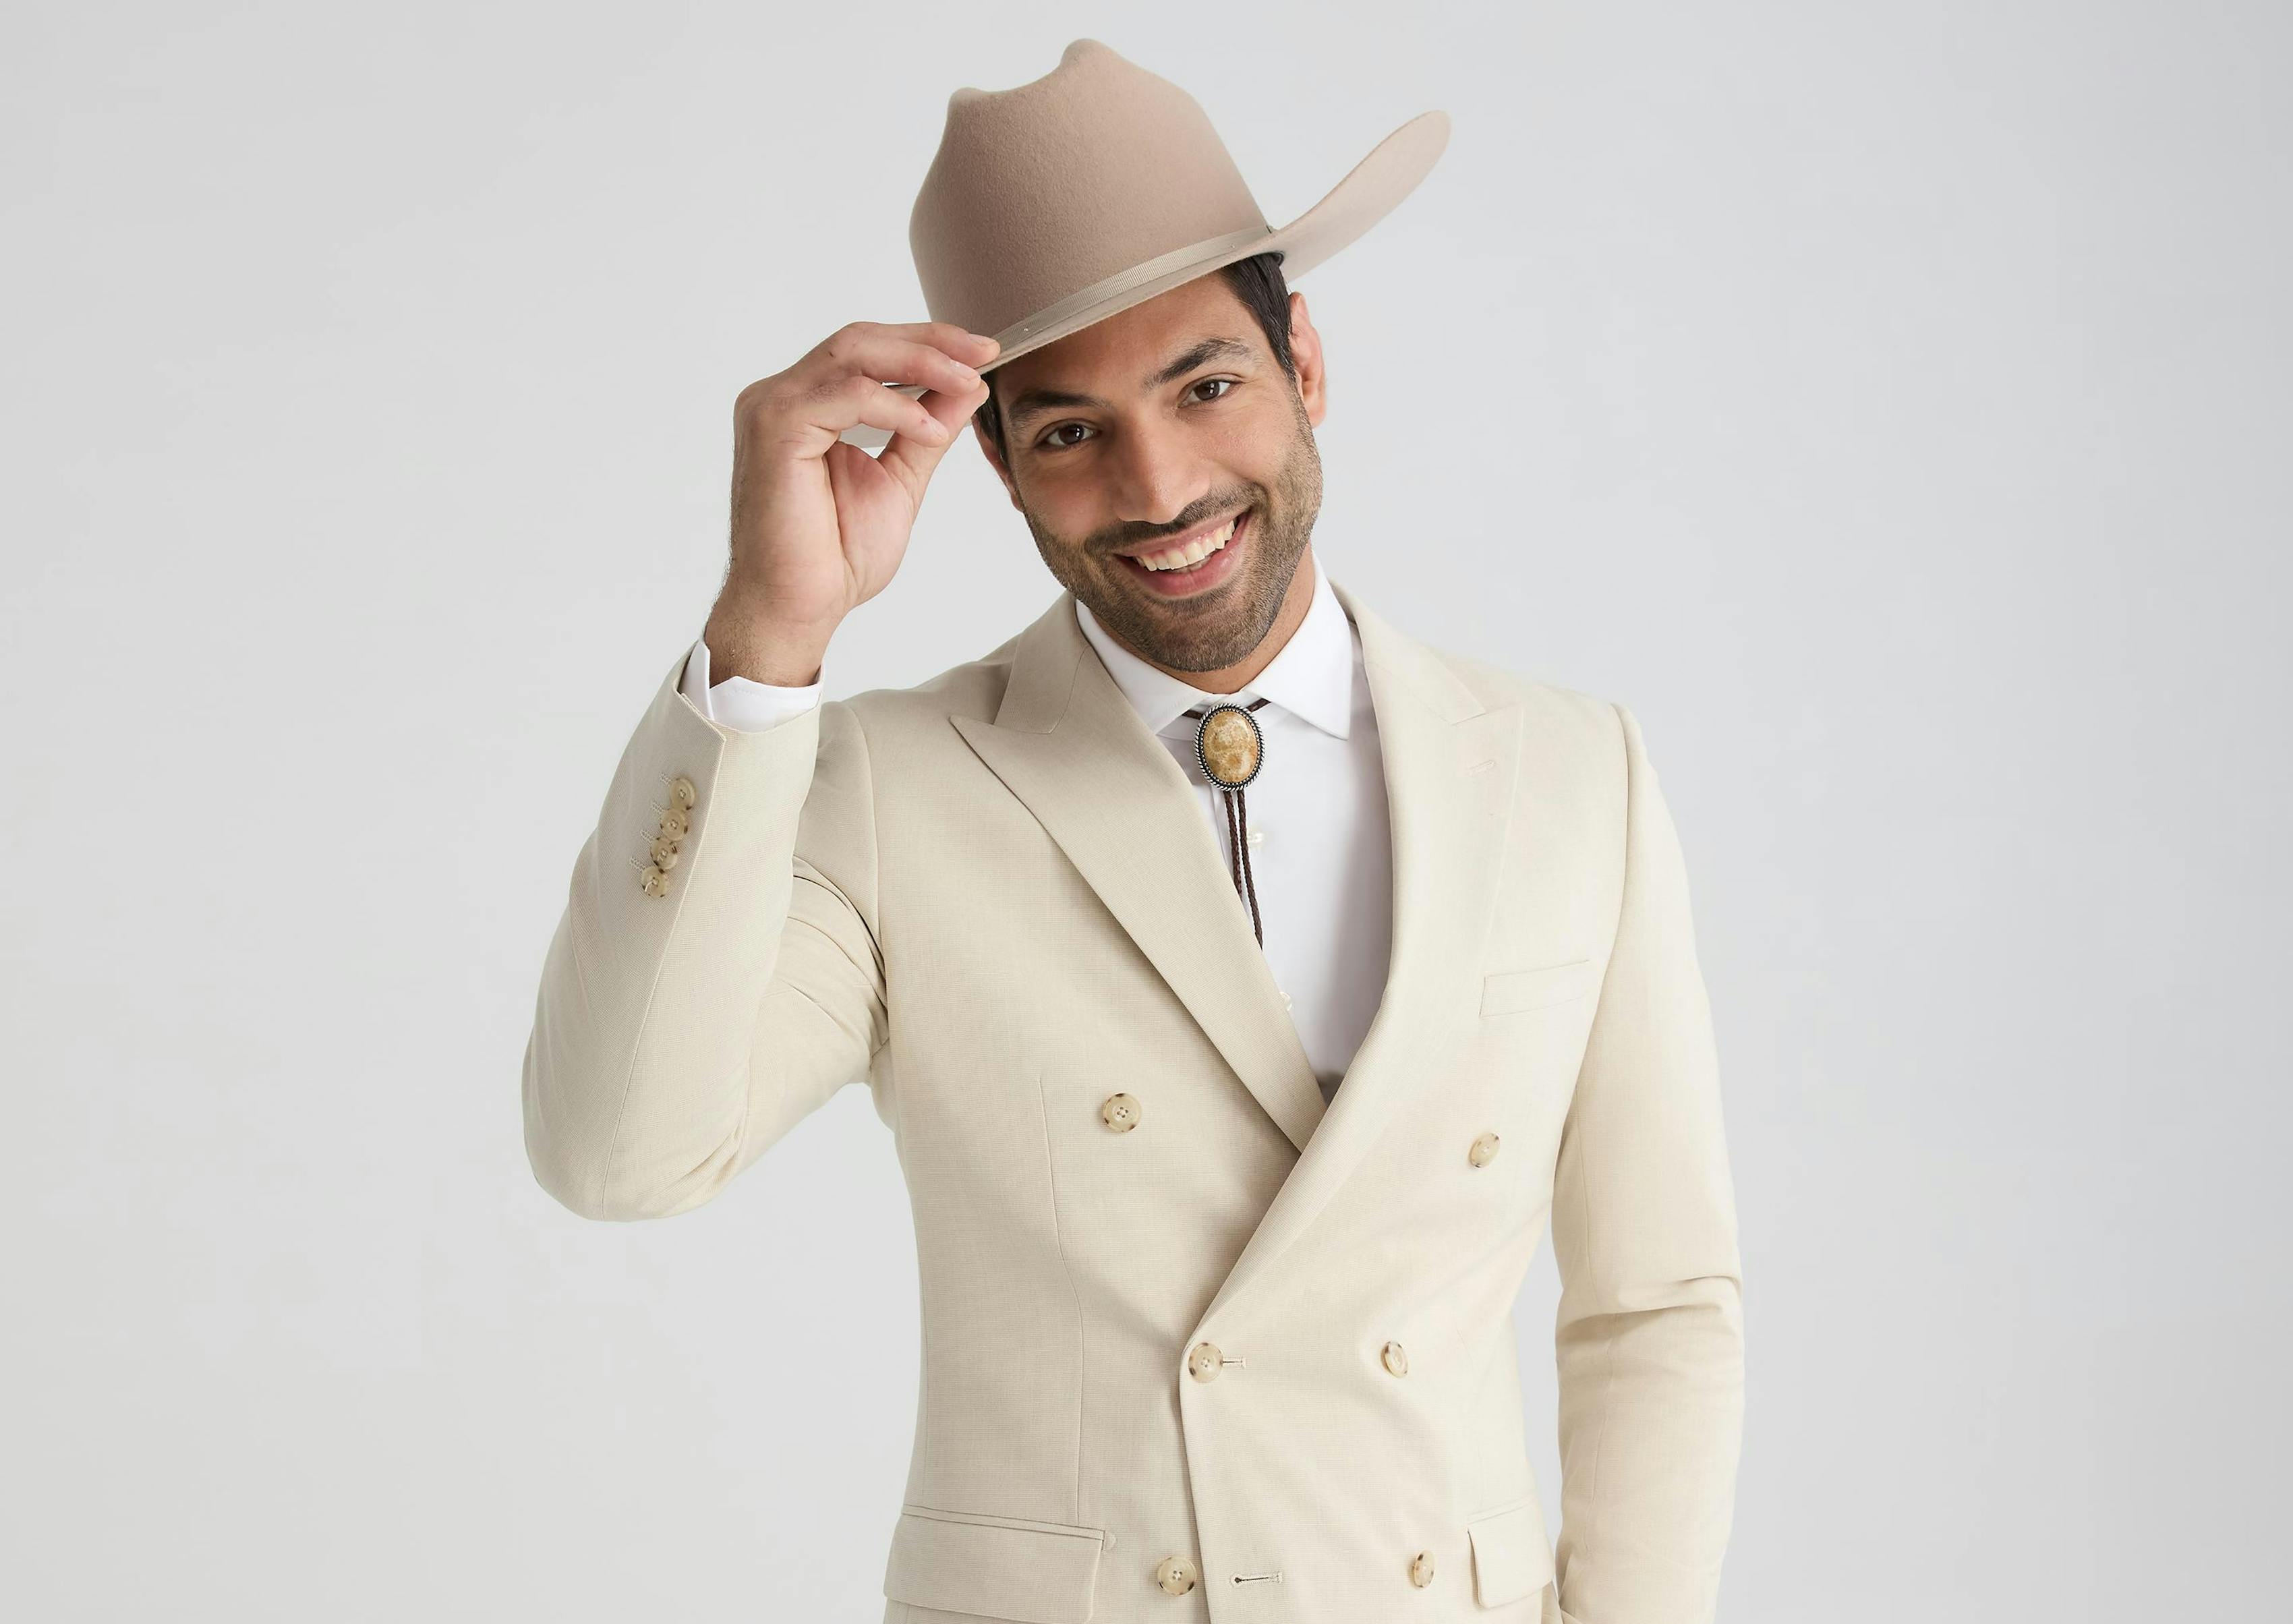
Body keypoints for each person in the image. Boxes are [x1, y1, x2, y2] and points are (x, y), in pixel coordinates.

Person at [521, 38, 1743, 1624]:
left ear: (1304, 365)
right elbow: (617, 1155)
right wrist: (769, 631)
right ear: (994, 465)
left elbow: (1655, 1304)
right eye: (1067, 431)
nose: (1157, 487)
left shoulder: (1571, 774)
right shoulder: (894, 786)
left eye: (1204, 386)